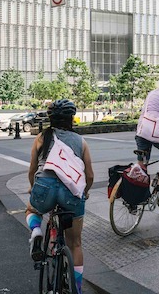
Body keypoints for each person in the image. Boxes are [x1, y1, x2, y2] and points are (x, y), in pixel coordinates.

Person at [26, 99, 94, 294]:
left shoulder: (41, 138)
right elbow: (89, 176)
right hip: (71, 193)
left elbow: (32, 171)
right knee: (75, 243)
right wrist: (86, 191)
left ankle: (37, 231)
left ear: (50, 118)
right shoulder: (81, 142)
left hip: (44, 187)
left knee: (32, 210)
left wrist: (33, 188)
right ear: (71, 119)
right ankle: (77, 289)